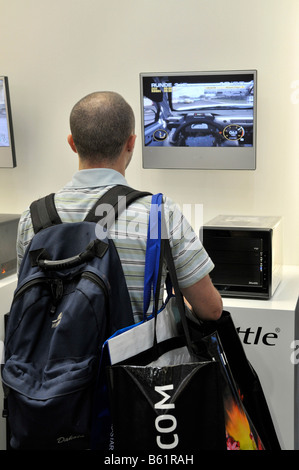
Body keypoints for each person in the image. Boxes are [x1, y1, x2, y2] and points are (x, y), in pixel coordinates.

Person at [17, 91, 222, 323]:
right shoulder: (159, 213)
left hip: (47, 359)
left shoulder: (31, 218)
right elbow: (211, 310)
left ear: (72, 143)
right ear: (131, 143)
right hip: (132, 358)